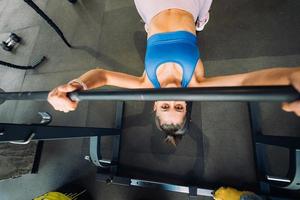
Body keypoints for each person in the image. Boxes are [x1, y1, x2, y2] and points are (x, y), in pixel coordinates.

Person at [48, 0, 300, 146]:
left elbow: (102, 76)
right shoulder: (196, 85)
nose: (172, 101)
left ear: (154, 105)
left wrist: (77, 85)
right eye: (178, 107)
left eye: (165, 106)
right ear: (186, 105)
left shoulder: (147, 85)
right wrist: (289, 77)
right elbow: (246, 81)